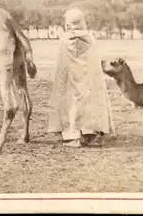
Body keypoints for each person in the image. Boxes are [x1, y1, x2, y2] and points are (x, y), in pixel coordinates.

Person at [48, 8, 115, 147]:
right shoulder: (89, 39)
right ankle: (91, 133)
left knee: (71, 100)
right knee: (90, 98)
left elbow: (62, 69)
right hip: (88, 81)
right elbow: (94, 65)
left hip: (71, 82)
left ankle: (74, 135)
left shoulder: (65, 41)